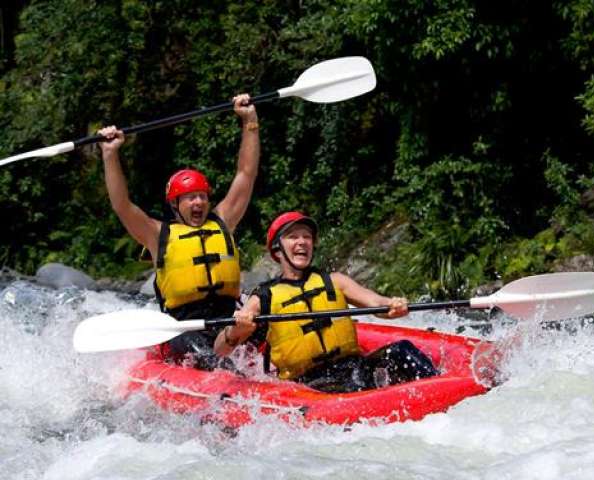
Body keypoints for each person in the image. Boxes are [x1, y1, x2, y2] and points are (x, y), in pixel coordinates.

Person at [98, 94, 260, 368]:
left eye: (202, 196)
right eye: (189, 197)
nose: (198, 202)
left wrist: (250, 122)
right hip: (185, 328)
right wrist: (110, 154)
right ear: (175, 204)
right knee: (210, 359)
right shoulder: (156, 234)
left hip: (231, 318)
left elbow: (246, 173)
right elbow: (122, 205)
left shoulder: (223, 221)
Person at [213, 211, 438, 392]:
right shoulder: (264, 296)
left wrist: (393, 305)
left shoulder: (335, 281)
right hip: (309, 384)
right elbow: (220, 349)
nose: (302, 242)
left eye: (307, 237)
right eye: (293, 236)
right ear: (276, 250)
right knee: (354, 386)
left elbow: (376, 303)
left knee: (401, 351)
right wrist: (236, 329)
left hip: (353, 366)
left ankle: (439, 389)